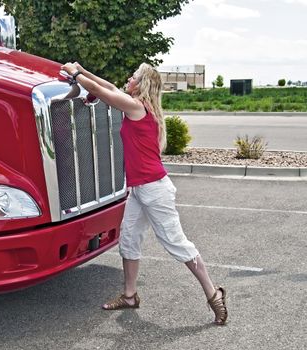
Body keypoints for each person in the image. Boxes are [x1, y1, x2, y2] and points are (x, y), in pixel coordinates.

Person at [60, 62, 228, 325]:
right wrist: (83, 70)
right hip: (139, 189)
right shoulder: (136, 105)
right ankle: (129, 296)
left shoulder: (137, 107)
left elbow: (102, 92)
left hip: (155, 190)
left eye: (134, 77)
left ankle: (213, 292)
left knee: (176, 243)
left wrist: (76, 74)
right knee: (128, 239)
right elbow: (109, 86)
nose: (129, 78)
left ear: (142, 85)